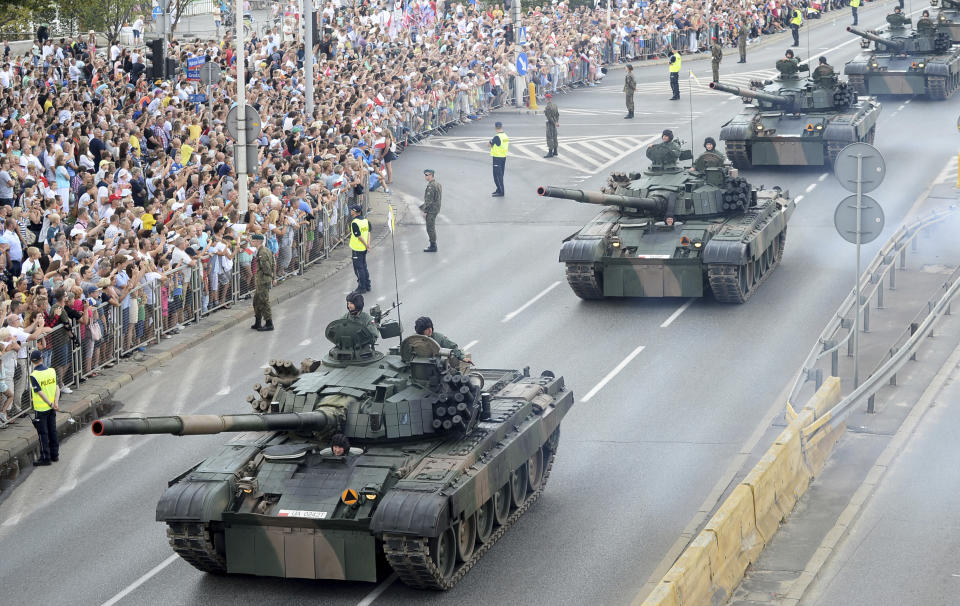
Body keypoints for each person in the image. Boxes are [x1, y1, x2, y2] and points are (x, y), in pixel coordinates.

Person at [29, 350, 59, 466]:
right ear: (42, 359)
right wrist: (55, 403)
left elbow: (40, 392)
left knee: (43, 434)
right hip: (52, 408)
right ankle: (55, 455)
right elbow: (57, 387)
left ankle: (45, 458)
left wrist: (50, 404)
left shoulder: (34, 375)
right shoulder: (51, 371)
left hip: (41, 409)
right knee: (53, 431)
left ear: (32, 361)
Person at [251, 233, 275, 331]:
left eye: (253, 241)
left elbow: (267, 268)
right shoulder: (265, 250)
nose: (251, 242)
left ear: (258, 241)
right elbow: (273, 263)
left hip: (263, 280)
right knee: (256, 301)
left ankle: (269, 323)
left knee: (264, 301)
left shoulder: (262, 253)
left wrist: (271, 278)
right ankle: (258, 322)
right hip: (262, 280)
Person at [349, 205, 371, 292]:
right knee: (364, 267)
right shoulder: (366, 220)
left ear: (354, 212)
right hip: (364, 249)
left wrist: (366, 245)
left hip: (357, 249)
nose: (351, 211)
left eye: (352, 210)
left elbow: (359, 236)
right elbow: (368, 232)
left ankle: (362, 287)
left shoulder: (355, 222)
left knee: (358, 268)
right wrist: (368, 245)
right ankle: (367, 285)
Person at [420, 169, 442, 252]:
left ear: (431, 175)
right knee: (431, 227)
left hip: (431, 210)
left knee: (430, 227)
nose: (425, 176)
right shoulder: (438, 184)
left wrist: (425, 211)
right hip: (436, 208)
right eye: (425, 175)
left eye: (427, 175)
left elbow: (429, 200)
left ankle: (433, 245)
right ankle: (433, 244)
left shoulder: (431, 186)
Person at [489, 122, 508, 197]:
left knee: (497, 175)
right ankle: (498, 189)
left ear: (495, 127)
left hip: (497, 157)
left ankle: (501, 192)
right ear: (501, 127)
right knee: (501, 174)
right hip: (503, 157)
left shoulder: (497, 137)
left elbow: (489, 144)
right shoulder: (505, 136)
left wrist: (491, 142)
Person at [543, 93, 559, 158]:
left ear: (547, 99)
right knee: (555, 136)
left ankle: (550, 152)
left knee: (549, 137)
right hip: (555, 122)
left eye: (545, 98)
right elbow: (557, 115)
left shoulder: (548, 107)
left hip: (550, 123)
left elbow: (549, 117)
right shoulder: (555, 105)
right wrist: (556, 122)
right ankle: (555, 151)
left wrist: (554, 122)